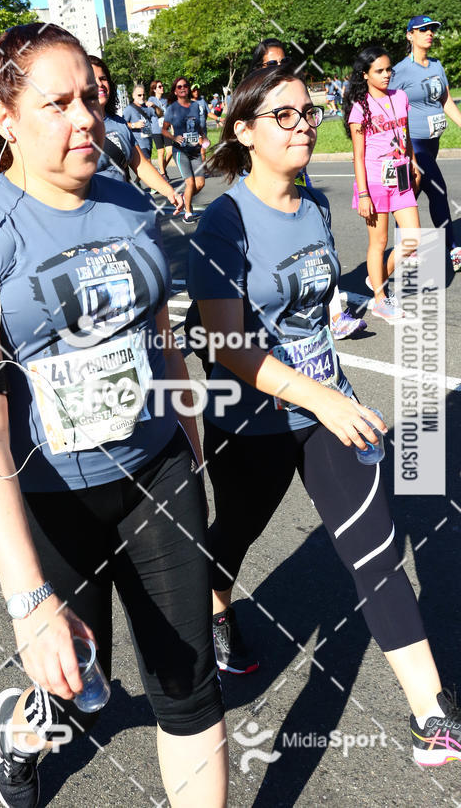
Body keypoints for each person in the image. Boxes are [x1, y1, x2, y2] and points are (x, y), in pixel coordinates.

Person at [0, 23, 227, 808]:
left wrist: (195, 462)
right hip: (55, 498)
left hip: (158, 475)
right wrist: (29, 603)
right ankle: (23, 740)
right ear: (6, 118)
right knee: (66, 679)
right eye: (57, 104)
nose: (85, 117)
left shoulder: (131, 206)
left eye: (89, 97)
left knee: (188, 686)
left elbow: (164, 349)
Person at [188, 64, 460, 767]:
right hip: (254, 421)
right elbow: (226, 345)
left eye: (309, 111)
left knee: (377, 545)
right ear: (244, 131)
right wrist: (320, 395)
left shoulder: (311, 204)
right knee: (239, 529)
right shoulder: (223, 223)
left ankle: (432, 715)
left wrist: (373, 300)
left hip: (325, 413)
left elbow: (316, 314)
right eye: (284, 115)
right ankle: (215, 601)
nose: (306, 123)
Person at [250, 39, 365, 340]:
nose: (279, 68)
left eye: (283, 62)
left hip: (300, 185)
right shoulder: (252, 104)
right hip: (266, 196)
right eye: (270, 64)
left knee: (320, 243)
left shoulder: (294, 94)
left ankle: (335, 315)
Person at [344, 46, 421, 324]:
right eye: (379, 71)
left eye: (389, 69)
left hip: (401, 179)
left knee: (413, 238)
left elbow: (405, 134)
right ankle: (379, 299)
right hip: (375, 182)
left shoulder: (400, 97)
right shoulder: (359, 108)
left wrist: (412, 162)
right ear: (365, 75)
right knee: (380, 242)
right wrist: (363, 194)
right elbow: (359, 155)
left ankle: (377, 277)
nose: (386, 74)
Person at [392, 15, 461, 272]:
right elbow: (387, 104)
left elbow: (446, 102)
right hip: (413, 144)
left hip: (432, 142)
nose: (429, 33)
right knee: (438, 189)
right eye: (422, 30)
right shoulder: (399, 72)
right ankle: (454, 249)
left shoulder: (437, 66)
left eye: (431, 29)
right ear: (410, 35)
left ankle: (406, 247)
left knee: (412, 192)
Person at [89, 56, 183, 214]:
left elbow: (141, 165)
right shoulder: (72, 127)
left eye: (103, 78)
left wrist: (169, 192)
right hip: (92, 216)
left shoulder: (119, 123)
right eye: (92, 79)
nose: (100, 84)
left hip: (123, 211)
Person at [163, 77, 205, 224]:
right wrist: (174, 138)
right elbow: (164, 129)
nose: (183, 88)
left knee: (200, 183)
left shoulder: (195, 106)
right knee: (191, 183)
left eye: (185, 85)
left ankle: (184, 196)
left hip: (194, 150)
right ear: (175, 91)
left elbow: (198, 127)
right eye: (179, 86)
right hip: (180, 151)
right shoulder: (172, 109)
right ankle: (188, 213)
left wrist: (203, 138)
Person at [122, 84, 155, 159]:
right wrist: (134, 125)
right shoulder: (129, 109)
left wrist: (154, 106)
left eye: (144, 95)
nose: (142, 97)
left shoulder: (147, 107)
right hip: (138, 144)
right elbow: (122, 125)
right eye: (139, 95)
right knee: (148, 166)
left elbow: (160, 114)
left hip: (148, 142)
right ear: (133, 96)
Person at [149, 80, 169, 177]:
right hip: (156, 129)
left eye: (162, 86)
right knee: (161, 152)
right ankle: (163, 174)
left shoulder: (165, 101)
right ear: (154, 89)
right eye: (159, 86)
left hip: (166, 129)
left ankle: (162, 169)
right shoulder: (151, 100)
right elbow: (154, 114)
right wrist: (154, 106)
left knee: (170, 151)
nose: (162, 88)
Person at [190, 84, 211, 163]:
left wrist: (219, 118)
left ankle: (203, 168)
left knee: (203, 149)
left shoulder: (202, 101)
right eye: (194, 90)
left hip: (203, 129)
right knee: (197, 149)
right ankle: (198, 169)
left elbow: (208, 113)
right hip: (194, 130)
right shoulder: (188, 102)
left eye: (197, 90)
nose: (196, 92)